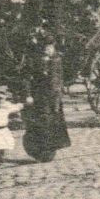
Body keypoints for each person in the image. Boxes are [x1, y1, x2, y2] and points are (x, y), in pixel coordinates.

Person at [21, 31, 71, 163]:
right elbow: (27, 79)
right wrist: (28, 95)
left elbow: (60, 78)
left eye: (51, 47)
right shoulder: (34, 61)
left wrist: (60, 92)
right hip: (40, 98)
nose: (49, 50)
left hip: (54, 99)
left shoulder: (57, 60)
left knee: (54, 124)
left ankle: (50, 150)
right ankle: (40, 151)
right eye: (46, 48)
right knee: (41, 124)